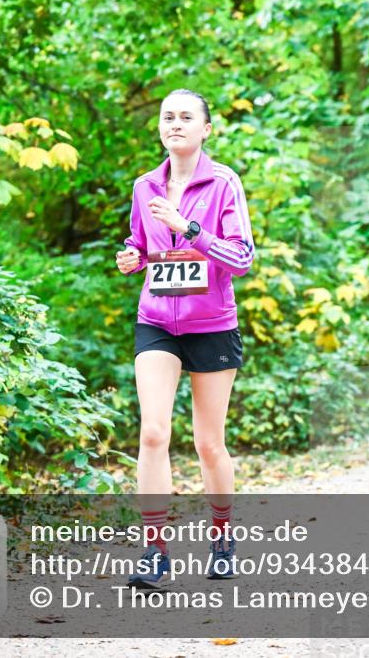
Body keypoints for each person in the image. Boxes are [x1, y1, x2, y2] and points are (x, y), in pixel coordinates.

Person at [115, 89, 255, 587]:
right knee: (153, 432)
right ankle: (154, 551)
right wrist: (130, 257)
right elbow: (138, 243)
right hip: (156, 320)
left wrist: (190, 229)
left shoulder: (223, 182)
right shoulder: (144, 185)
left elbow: (241, 258)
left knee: (209, 444)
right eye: (167, 117)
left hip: (211, 323)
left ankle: (222, 535)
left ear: (205, 129)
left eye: (186, 117)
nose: (175, 124)